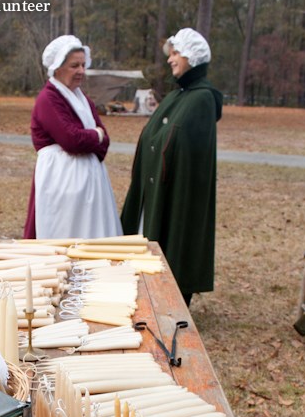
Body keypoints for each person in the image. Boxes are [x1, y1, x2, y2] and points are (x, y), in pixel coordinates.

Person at [121, 28, 223, 306]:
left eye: (177, 53)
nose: (170, 59)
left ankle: (174, 293)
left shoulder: (201, 98)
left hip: (178, 192)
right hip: (156, 189)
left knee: (176, 237)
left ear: (193, 57)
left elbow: (187, 150)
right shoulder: (179, 95)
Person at [23, 35, 122, 240]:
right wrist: (95, 135)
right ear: (57, 67)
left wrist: (93, 138)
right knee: (64, 233)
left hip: (91, 184)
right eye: (74, 65)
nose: (81, 71)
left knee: (92, 235)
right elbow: (71, 140)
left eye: (83, 65)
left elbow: (105, 143)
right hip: (61, 182)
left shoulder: (82, 99)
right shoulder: (48, 98)